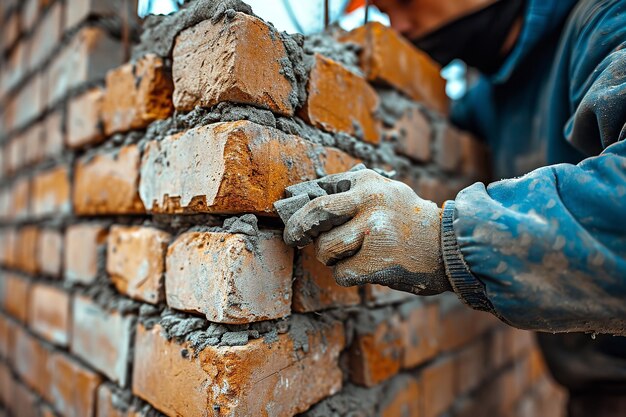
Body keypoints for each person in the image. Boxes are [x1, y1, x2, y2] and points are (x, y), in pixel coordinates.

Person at [282, 0, 626, 415]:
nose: (400, 27)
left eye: (402, 3)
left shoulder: (608, 20)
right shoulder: (493, 93)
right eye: (384, 13)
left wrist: (442, 237)